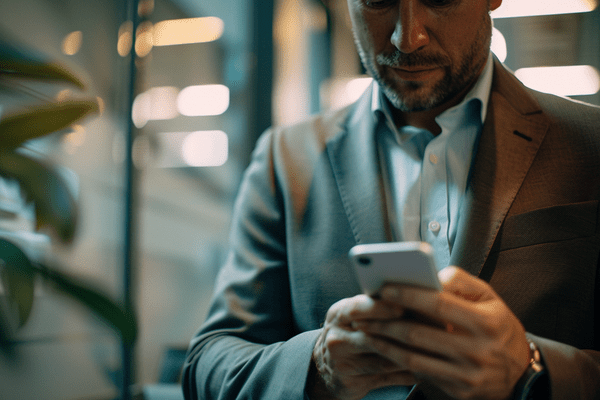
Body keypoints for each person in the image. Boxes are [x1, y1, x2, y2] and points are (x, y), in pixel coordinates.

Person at [182, 0, 600, 398]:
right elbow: (208, 364)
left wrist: (532, 369)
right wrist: (315, 367)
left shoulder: (591, 146)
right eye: (378, 1)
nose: (407, 38)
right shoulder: (285, 159)